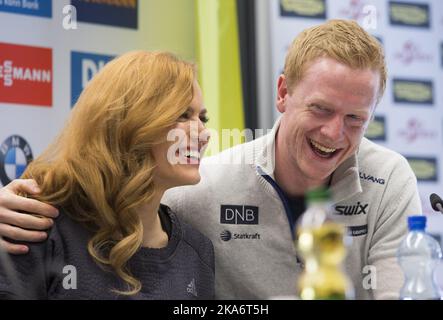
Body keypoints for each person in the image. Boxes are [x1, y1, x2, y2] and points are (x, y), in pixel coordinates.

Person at [0, 20, 421, 300]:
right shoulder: (38, 229)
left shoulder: (191, 248)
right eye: (321, 109)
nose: (334, 132)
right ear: (282, 94)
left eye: (355, 119)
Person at [0, 51, 215, 299]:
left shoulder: (197, 251)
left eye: (203, 118)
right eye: (182, 115)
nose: (204, 133)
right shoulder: (33, 226)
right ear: (128, 122)